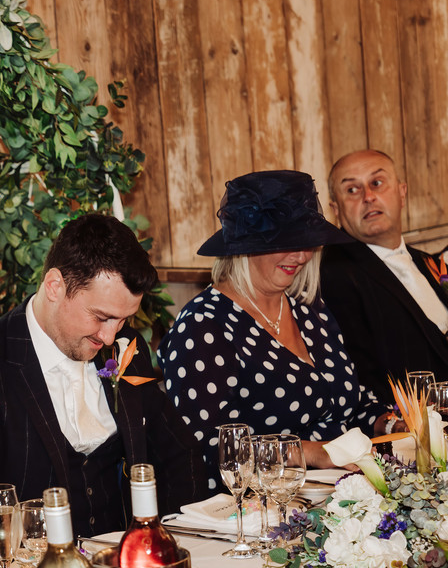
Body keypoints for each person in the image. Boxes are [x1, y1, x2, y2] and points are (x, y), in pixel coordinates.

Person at [0, 213, 205, 537]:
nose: (109, 337)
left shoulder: (127, 349)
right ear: (55, 286)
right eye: (101, 317)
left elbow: (179, 453)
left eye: (122, 320)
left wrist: (172, 540)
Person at [160, 170, 394, 486]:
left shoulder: (310, 309)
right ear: (245, 246)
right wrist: (309, 452)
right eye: (286, 243)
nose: (300, 256)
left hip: (342, 493)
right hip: (262, 511)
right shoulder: (204, 326)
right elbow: (208, 448)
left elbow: (348, 403)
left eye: (308, 242)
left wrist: (388, 423)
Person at [320, 149, 448, 403]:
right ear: (335, 209)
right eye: (352, 190)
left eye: (377, 183)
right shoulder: (332, 275)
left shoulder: (428, 262)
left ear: (402, 192)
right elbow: (360, 377)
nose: (368, 197)